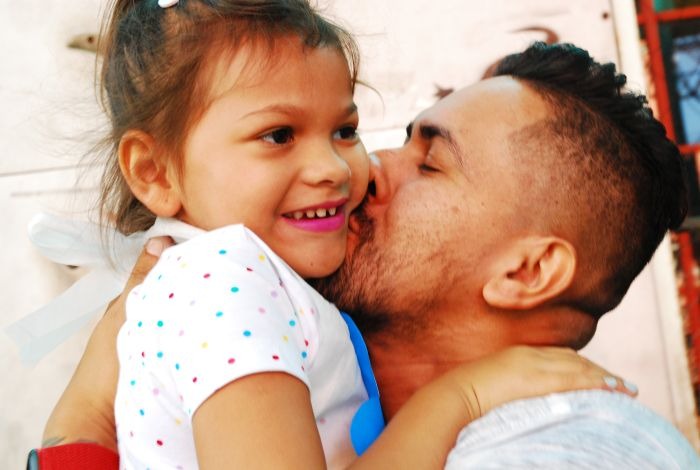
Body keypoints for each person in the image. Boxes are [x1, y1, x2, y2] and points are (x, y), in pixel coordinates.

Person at [33, 41, 694, 468]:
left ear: (527, 271)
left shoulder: (568, 450)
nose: (367, 168)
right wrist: (83, 423)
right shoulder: (298, 377)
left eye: (429, 164)